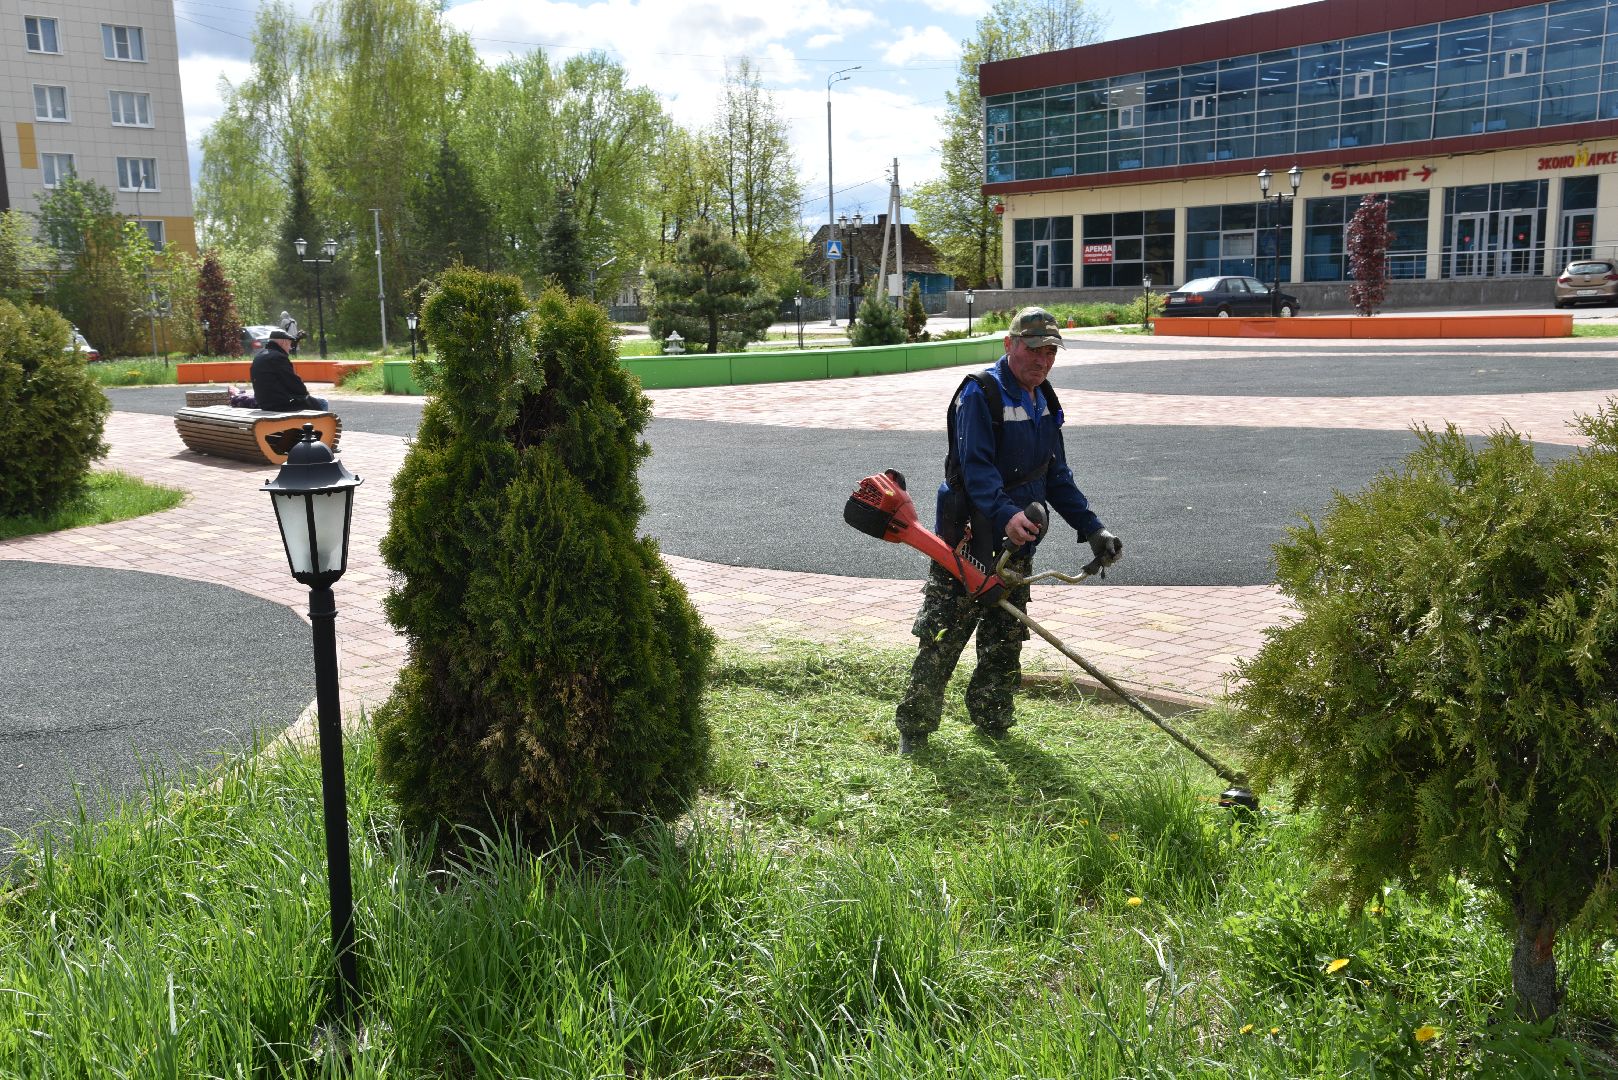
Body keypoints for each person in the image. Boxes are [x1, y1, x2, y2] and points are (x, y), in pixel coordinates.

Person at [894, 306, 1122, 754]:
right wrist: (1005, 515)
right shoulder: (980, 394)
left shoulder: (1044, 400)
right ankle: (915, 730)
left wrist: (1092, 528)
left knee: (1003, 640)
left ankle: (993, 719)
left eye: (1051, 350)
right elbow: (976, 470)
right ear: (1010, 345)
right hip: (966, 543)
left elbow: (1056, 475)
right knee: (942, 636)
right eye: (1033, 348)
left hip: (1019, 542)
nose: (1043, 359)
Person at [250, 328, 328, 411]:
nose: (290, 348)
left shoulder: (259, 356)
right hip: (280, 405)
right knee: (322, 402)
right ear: (284, 342)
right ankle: (319, 424)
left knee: (312, 401)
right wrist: (305, 394)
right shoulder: (278, 357)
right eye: (290, 344)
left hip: (264, 403)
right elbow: (294, 384)